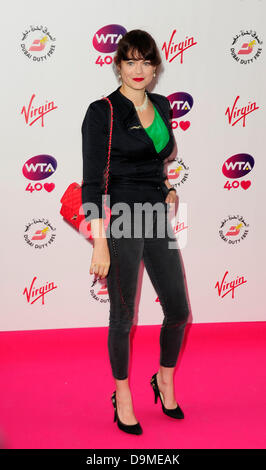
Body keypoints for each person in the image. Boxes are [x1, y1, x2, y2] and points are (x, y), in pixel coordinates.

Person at [81, 29, 190, 435]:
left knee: (178, 309)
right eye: (131, 61)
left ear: (156, 67)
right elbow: (93, 182)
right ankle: (122, 394)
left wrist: (169, 188)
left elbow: (159, 159)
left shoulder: (161, 105)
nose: (139, 69)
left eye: (146, 61)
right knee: (123, 316)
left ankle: (163, 379)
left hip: (156, 215)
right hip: (121, 218)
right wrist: (100, 241)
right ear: (117, 66)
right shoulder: (102, 111)